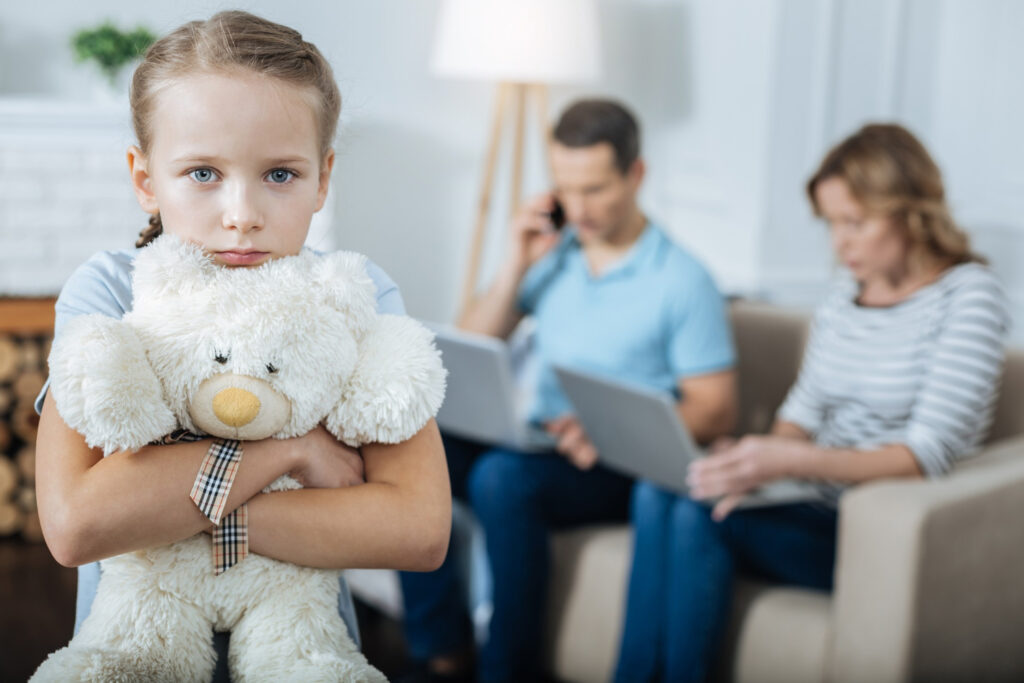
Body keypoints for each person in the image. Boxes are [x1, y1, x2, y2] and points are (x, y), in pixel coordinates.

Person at [33, 10, 450, 676]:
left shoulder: (355, 293)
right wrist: (293, 450)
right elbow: (78, 524)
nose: (242, 214)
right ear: (145, 178)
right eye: (202, 173)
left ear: (323, 176)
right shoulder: (109, 291)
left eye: (279, 174)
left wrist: (167, 512)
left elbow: (418, 528)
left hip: (305, 654)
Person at [613, 123, 1011, 683]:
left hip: (868, 528)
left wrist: (787, 461)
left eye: (856, 223)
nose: (839, 243)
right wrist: (753, 460)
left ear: (911, 212)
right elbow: (800, 416)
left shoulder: (968, 295)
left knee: (700, 516)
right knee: (666, 489)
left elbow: (927, 453)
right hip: (804, 498)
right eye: (831, 225)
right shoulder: (843, 301)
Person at [399, 99, 738, 682]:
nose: (578, 208)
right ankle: (441, 654)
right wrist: (515, 264)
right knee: (407, 446)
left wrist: (606, 430)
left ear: (636, 175)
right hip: (535, 439)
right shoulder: (558, 257)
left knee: (501, 478)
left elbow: (715, 411)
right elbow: (471, 342)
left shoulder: (682, 281)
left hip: (613, 463)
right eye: (565, 189)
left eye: (596, 189)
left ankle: (507, 671)